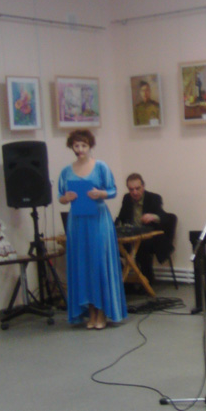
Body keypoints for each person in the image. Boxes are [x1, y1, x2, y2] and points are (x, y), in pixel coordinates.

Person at [58, 129, 128, 329]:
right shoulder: (66, 171)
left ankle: (102, 312)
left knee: (99, 263)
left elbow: (113, 190)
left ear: (90, 146)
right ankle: (90, 312)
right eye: (76, 145)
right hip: (77, 220)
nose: (80, 149)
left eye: (84, 145)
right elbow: (61, 197)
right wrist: (66, 198)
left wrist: (100, 193)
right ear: (72, 147)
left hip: (98, 218)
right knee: (82, 265)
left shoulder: (101, 167)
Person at [115, 173, 174, 284]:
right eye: (131, 189)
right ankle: (123, 279)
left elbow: (165, 217)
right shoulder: (127, 198)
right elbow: (121, 218)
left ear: (143, 186)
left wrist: (153, 216)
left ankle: (147, 281)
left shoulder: (154, 198)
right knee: (112, 247)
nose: (134, 192)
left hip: (151, 238)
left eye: (137, 188)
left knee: (142, 247)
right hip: (132, 237)